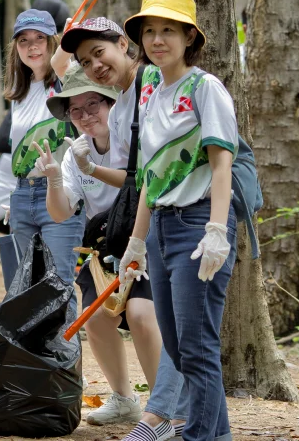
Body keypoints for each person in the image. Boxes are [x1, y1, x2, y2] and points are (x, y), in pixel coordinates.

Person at [31, 55, 189, 439]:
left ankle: (163, 408)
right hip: (101, 247)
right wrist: (54, 178)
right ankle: (123, 397)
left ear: (111, 102)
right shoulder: (74, 151)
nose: (85, 115)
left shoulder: (130, 137)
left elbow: (138, 183)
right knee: (96, 318)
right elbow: (62, 211)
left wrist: (92, 170)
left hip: (143, 236)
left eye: (93, 104)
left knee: (140, 313)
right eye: (75, 110)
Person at [118, 0, 239, 441]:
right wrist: (136, 242)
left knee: (197, 348)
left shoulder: (205, 88)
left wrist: (216, 230)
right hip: (161, 230)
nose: (157, 39)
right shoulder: (149, 86)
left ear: (190, 36)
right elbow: (152, 173)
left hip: (200, 224)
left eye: (168, 29)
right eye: (150, 31)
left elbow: (221, 162)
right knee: (181, 349)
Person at [2, 9, 85, 308]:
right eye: (23, 40)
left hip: (60, 192)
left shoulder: (66, 81)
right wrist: (15, 194)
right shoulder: (19, 93)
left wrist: (67, 47)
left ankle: (66, 356)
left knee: (59, 284)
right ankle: (36, 357)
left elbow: (64, 67)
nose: (32, 46)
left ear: (53, 41)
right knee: (27, 287)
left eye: (40, 38)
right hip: (23, 197)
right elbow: (18, 148)